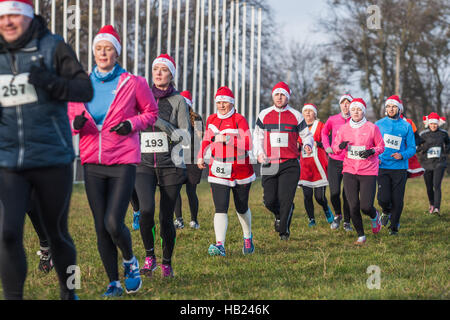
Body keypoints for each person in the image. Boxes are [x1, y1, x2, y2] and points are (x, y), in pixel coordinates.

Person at [0, 0, 93, 300]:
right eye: (1, 16)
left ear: (28, 16)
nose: (7, 22)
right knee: (8, 233)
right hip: (8, 161)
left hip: (52, 158)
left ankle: (71, 291)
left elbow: (84, 89)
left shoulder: (53, 46)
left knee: (58, 235)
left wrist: (52, 83)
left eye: (14, 14)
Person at [68, 25, 158, 297]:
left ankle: (130, 261)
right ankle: (113, 283)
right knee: (99, 228)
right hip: (92, 162)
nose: (102, 53)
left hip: (122, 161)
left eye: (108, 49)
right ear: (93, 52)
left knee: (112, 222)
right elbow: (69, 120)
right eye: (98, 48)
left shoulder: (133, 82)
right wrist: (76, 123)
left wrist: (131, 124)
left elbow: (151, 112)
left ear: (116, 53)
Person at [136, 54, 191, 278]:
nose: (158, 73)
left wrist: (155, 120)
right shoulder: (140, 97)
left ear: (171, 75)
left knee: (165, 219)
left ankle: (167, 262)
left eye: (164, 70)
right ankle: (150, 258)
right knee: (146, 210)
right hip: (144, 164)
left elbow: (184, 136)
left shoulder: (178, 101)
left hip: (171, 165)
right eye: (155, 69)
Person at [197, 86, 255, 256]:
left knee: (241, 207)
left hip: (240, 170)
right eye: (219, 102)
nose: (221, 105)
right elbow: (207, 139)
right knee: (220, 207)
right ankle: (220, 244)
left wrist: (228, 138)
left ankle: (247, 237)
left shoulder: (239, 119)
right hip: (218, 169)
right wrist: (201, 156)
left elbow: (248, 144)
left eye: (224, 102)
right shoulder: (211, 119)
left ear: (231, 103)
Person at [253, 82, 314, 240]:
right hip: (269, 162)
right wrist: (259, 153)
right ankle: (280, 214)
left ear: (287, 97)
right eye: (277, 94)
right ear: (273, 96)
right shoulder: (264, 114)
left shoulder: (296, 115)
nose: (279, 97)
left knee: (285, 199)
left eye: (282, 95)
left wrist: (307, 145)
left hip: (290, 164)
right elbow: (257, 137)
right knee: (269, 200)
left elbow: (307, 136)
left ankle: (284, 231)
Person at [332, 98, 384, 245]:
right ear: (350, 111)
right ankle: (361, 235)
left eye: (359, 109)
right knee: (352, 204)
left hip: (368, 170)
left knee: (365, 206)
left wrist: (371, 151)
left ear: (363, 111)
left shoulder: (372, 128)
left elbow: (381, 146)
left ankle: (374, 216)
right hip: (349, 170)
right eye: (353, 109)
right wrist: (340, 146)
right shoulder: (344, 129)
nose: (355, 112)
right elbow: (335, 148)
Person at [375, 95, 416, 235]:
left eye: (393, 107)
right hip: (382, 166)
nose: (390, 109)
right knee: (382, 198)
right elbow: (371, 144)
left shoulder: (406, 126)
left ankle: (394, 227)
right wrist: (376, 157)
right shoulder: (378, 124)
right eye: (388, 107)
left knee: (397, 199)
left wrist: (402, 155)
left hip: (399, 168)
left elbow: (412, 148)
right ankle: (386, 211)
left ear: (399, 109)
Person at [297, 104, 333, 227]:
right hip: (305, 167)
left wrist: (318, 143)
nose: (307, 113)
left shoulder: (321, 126)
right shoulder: (299, 127)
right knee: (307, 195)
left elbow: (328, 142)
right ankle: (311, 219)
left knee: (319, 197)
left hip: (319, 166)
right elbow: (296, 143)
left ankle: (326, 208)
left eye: (310, 111)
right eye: (305, 111)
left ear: (315, 114)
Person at [321, 94, 353, 231]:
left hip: (350, 161)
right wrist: (327, 146)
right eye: (343, 103)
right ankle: (337, 214)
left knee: (347, 194)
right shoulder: (333, 119)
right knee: (334, 193)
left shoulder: (356, 121)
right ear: (340, 105)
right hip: (334, 160)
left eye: (348, 103)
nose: (346, 106)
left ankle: (347, 221)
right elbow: (324, 133)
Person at [174, 90, 204, 230]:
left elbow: (200, 137)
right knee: (175, 190)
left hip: (192, 160)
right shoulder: (174, 118)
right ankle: (178, 219)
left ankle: (194, 220)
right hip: (178, 159)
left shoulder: (196, 118)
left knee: (191, 191)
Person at [417, 112, 449, 215]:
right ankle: (431, 204)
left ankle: (436, 208)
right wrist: (424, 147)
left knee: (437, 185)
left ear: (438, 124)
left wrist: (446, 150)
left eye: (435, 124)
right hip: (426, 163)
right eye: (431, 124)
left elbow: (448, 144)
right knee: (429, 186)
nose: (433, 126)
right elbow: (417, 148)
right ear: (428, 124)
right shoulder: (423, 134)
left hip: (440, 162)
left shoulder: (443, 133)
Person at [400, 114, 425, 179]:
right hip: (390, 156)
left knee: (403, 179)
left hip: (407, 156)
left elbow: (417, 138)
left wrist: (412, 147)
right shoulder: (384, 122)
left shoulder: (409, 122)